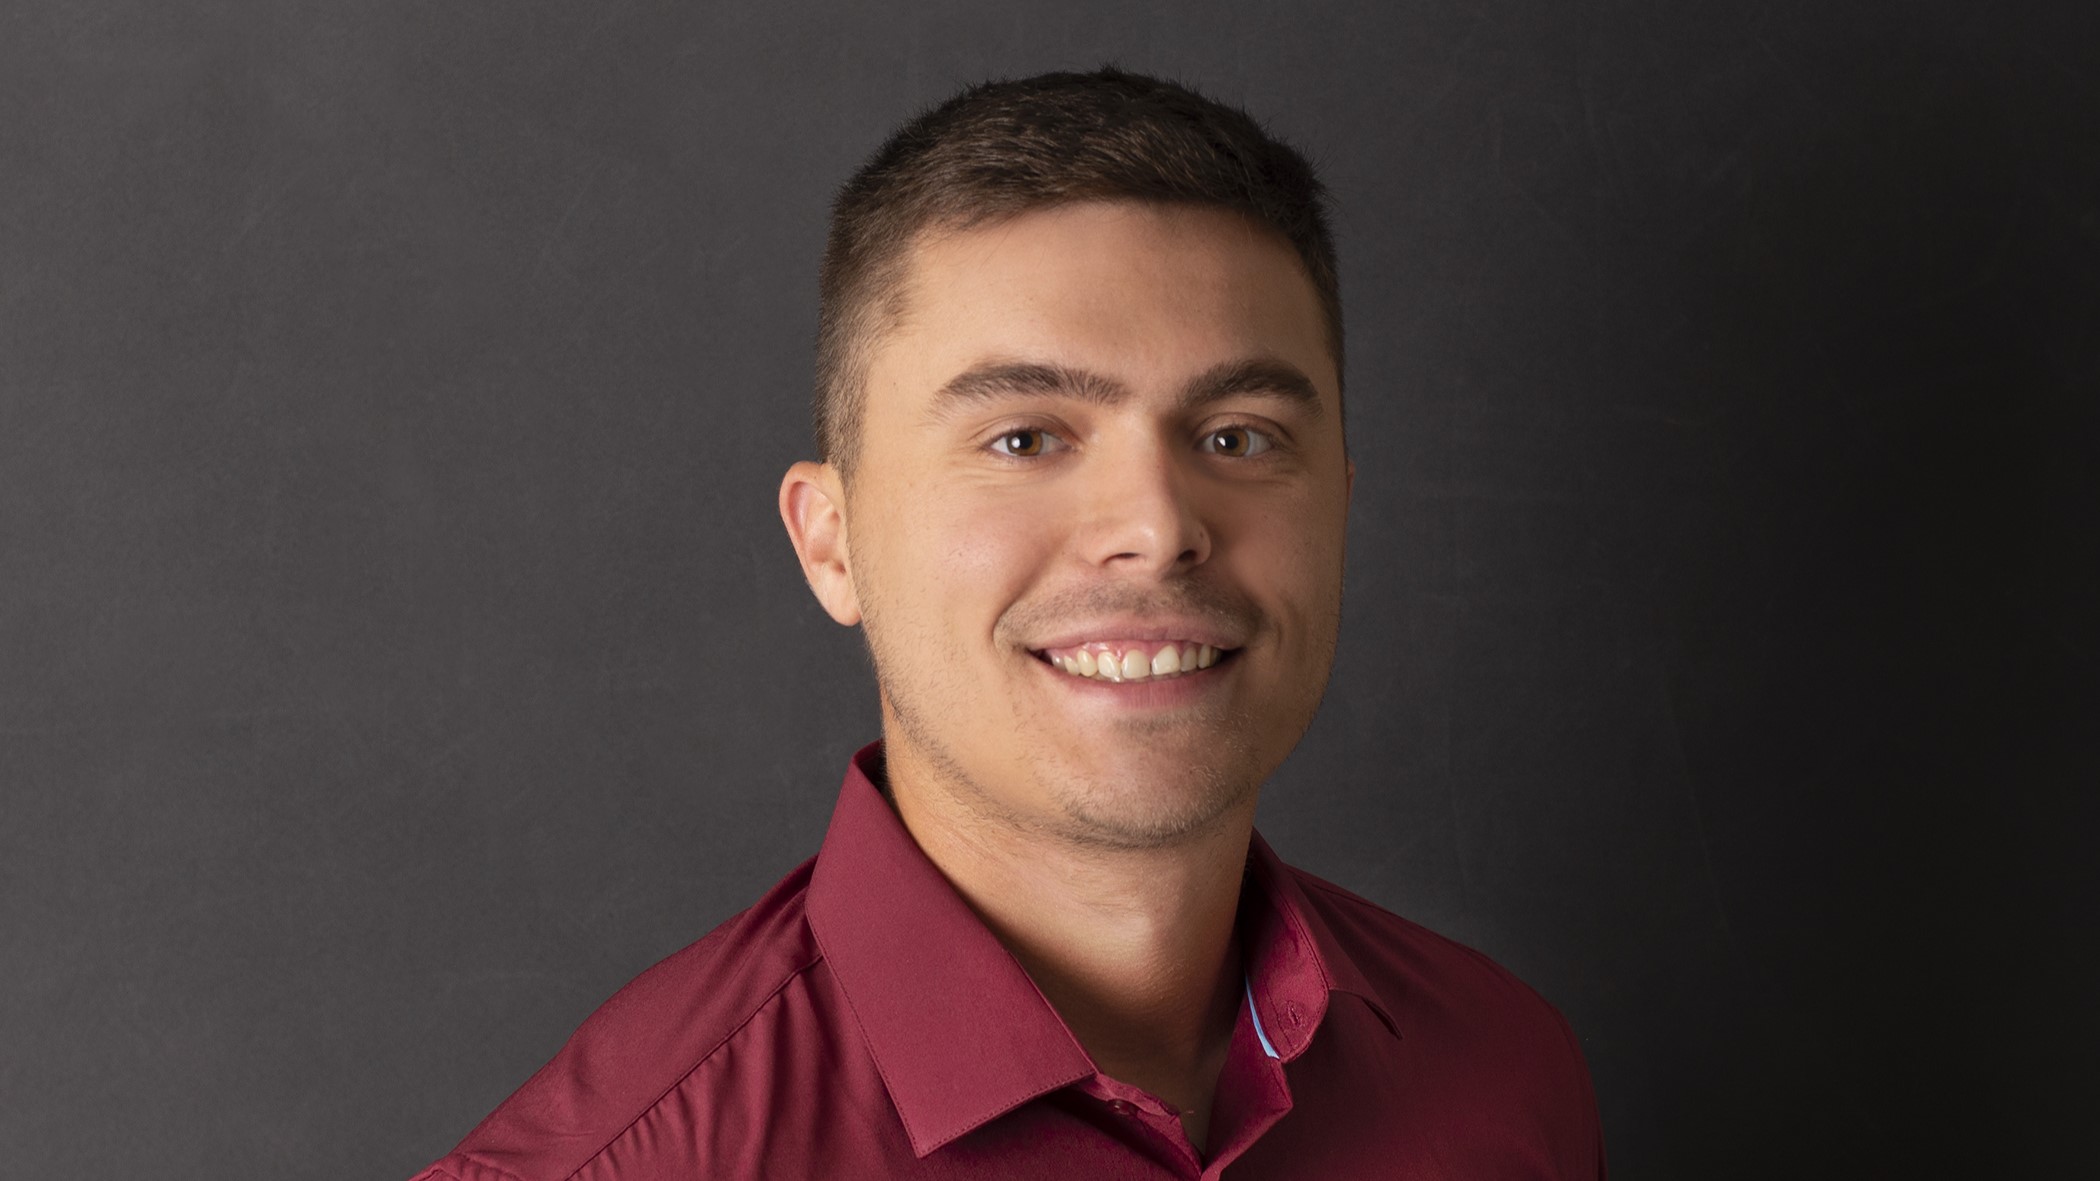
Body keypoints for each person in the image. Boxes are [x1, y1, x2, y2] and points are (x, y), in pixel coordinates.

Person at [412, 67, 1605, 1180]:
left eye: (1237, 435)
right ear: (831, 541)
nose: (1154, 525)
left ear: (1337, 507)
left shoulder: (1501, 1075)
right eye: (1024, 437)